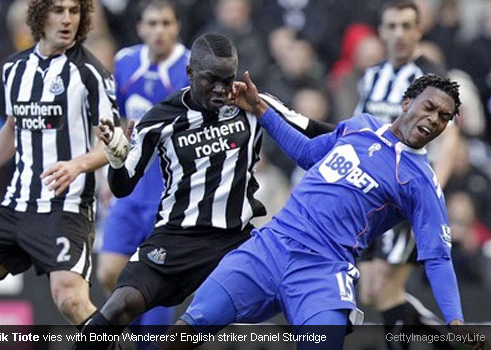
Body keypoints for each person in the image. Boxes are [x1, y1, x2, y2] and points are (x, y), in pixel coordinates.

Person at [167, 73, 468, 350]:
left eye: (443, 117)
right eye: (428, 107)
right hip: (273, 244)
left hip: (323, 271)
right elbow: (307, 154)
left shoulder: (422, 183)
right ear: (407, 102)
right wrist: (259, 108)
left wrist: (455, 321)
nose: (433, 119)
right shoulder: (361, 125)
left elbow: (438, 257)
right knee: (190, 327)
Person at [74, 32, 333, 350]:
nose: (222, 90)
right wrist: (116, 157)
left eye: (228, 79)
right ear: (190, 73)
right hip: (176, 239)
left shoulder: (250, 104)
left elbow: (317, 132)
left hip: (234, 243)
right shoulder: (160, 119)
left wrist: (373, 132)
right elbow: (122, 186)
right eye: (212, 80)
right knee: (117, 308)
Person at [0, 0, 119, 326]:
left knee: (70, 298)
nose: (67, 19)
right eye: (58, 10)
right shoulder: (14, 68)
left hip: (64, 209)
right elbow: (13, 126)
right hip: (16, 206)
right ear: (40, 15)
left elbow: (116, 145)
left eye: (74, 11)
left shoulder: (90, 73)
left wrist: (78, 164)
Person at [353, 0, 460, 335]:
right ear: (381, 32)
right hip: (369, 193)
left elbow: (451, 141)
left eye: (406, 26)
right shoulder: (372, 76)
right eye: (392, 26)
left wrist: (430, 194)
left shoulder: (431, 79)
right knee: (370, 292)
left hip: (405, 193)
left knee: (385, 288)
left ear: (419, 30)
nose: (399, 34)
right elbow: (359, 128)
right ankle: (453, 341)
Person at [96, 0, 189, 327]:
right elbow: (120, 121)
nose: (158, 30)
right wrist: (113, 170)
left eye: (165, 23)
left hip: (170, 193)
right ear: (139, 28)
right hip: (131, 189)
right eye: (151, 23)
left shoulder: (191, 68)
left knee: (157, 281)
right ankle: (141, 336)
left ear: (177, 26)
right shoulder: (125, 61)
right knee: (109, 272)